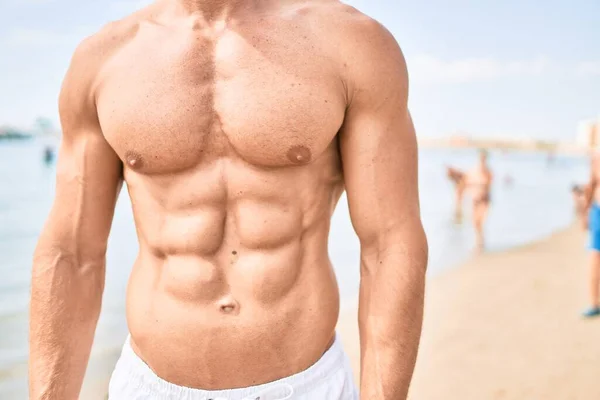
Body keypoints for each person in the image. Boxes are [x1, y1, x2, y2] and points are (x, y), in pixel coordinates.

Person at [28, 1, 428, 399]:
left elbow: (389, 243)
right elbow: (72, 254)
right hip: (147, 387)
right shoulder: (105, 57)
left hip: (304, 386)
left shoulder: (351, 42)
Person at [582, 152, 600, 318]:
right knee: (594, 258)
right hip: (598, 213)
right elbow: (592, 184)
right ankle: (594, 303)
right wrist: (585, 213)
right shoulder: (596, 158)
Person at [465, 149, 493, 250]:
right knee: (475, 221)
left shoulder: (487, 172)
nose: (482, 159)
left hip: (484, 199)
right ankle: (478, 240)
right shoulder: (473, 171)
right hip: (474, 199)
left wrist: (482, 191)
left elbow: (488, 186)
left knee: (480, 220)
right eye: (481, 157)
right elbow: (466, 184)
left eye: (483, 158)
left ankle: (480, 241)